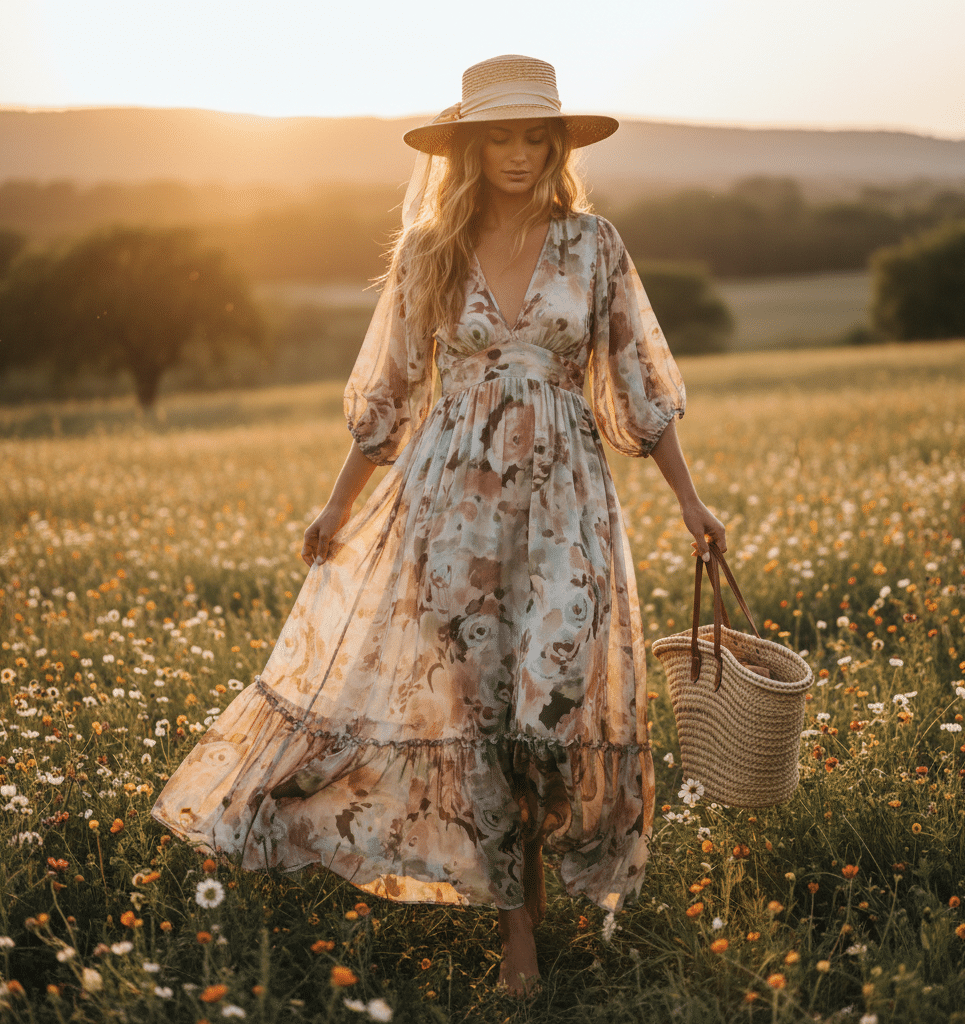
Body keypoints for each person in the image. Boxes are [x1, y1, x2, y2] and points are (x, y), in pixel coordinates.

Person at [151, 54, 727, 997]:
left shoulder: (594, 246)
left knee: (548, 713)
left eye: (535, 134)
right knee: (480, 722)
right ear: (465, 146)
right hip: (449, 515)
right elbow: (391, 396)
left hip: (566, 508)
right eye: (498, 134)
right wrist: (337, 504)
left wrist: (691, 501)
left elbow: (639, 384)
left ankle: (534, 893)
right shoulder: (430, 254)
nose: (518, 152)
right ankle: (517, 934)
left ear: (557, 143)